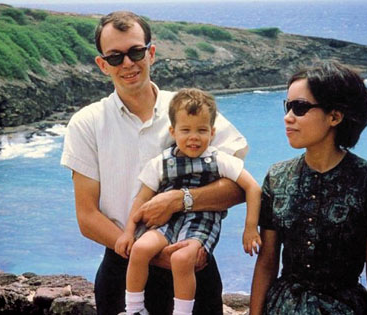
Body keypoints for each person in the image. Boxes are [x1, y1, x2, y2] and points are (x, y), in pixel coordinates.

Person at [60, 11, 248, 315]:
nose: (128, 63)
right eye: (115, 56)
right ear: (102, 64)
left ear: (152, 53)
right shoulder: (86, 123)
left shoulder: (190, 110)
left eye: (136, 52)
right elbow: (87, 216)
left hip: (190, 262)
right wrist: (146, 251)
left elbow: (239, 188)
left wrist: (180, 200)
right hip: (124, 268)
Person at [249, 60, 367, 315]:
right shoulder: (277, 177)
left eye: (300, 108)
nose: (288, 118)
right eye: (287, 107)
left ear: (335, 116)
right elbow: (267, 262)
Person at [115, 88, 262, 315]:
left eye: (201, 130)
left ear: (212, 133)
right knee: (140, 249)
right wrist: (128, 232)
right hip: (166, 221)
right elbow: (142, 198)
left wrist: (250, 228)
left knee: (182, 259)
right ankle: (134, 309)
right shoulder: (161, 163)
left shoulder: (219, 159)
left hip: (200, 223)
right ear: (173, 131)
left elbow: (252, 187)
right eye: (186, 130)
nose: (194, 137)